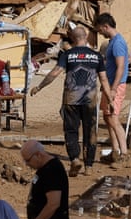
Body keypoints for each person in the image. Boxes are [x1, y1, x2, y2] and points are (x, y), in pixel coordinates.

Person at [29, 25, 106, 176]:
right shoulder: (96, 56)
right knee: (90, 131)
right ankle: (89, 166)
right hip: (90, 99)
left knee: (71, 130)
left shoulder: (67, 54)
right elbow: (104, 79)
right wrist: (109, 97)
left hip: (71, 98)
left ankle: (75, 159)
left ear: (72, 39)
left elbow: (54, 73)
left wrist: (39, 87)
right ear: (86, 37)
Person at [94, 13, 129, 163]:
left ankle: (124, 153)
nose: (100, 33)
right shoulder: (113, 42)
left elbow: (120, 67)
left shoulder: (118, 43)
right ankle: (115, 151)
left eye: (100, 29)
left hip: (115, 86)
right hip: (109, 85)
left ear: (105, 26)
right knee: (107, 117)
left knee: (113, 118)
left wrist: (113, 89)